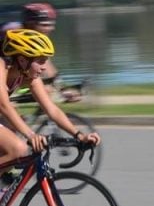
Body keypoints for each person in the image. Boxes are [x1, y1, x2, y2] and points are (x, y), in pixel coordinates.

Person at [0, 29, 100, 169]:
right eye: (40, 61)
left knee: (14, 148)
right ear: (23, 60)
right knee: (18, 150)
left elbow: (52, 109)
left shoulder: (28, 76)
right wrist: (31, 135)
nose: (44, 68)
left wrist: (79, 135)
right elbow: (4, 105)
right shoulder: (1, 67)